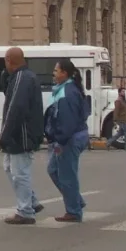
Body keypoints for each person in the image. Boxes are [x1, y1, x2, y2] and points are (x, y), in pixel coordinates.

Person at [0, 47, 44, 225]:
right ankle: (31, 201)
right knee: (10, 168)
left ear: (9, 60)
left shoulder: (21, 78)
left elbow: (15, 108)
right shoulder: (24, 77)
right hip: (22, 133)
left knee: (20, 173)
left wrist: (5, 133)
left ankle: (26, 211)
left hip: (21, 134)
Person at [44, 61, 90, 222]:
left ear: (65, 73)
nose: (54, 74)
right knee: (53, 170)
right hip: (72, 136)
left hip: (69, 138)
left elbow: (67, 121)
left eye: (56, 71)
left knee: (67, 175)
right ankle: (75, 201)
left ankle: (74, 211)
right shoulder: (65, 89)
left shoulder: (67, 93)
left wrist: (59, 141)